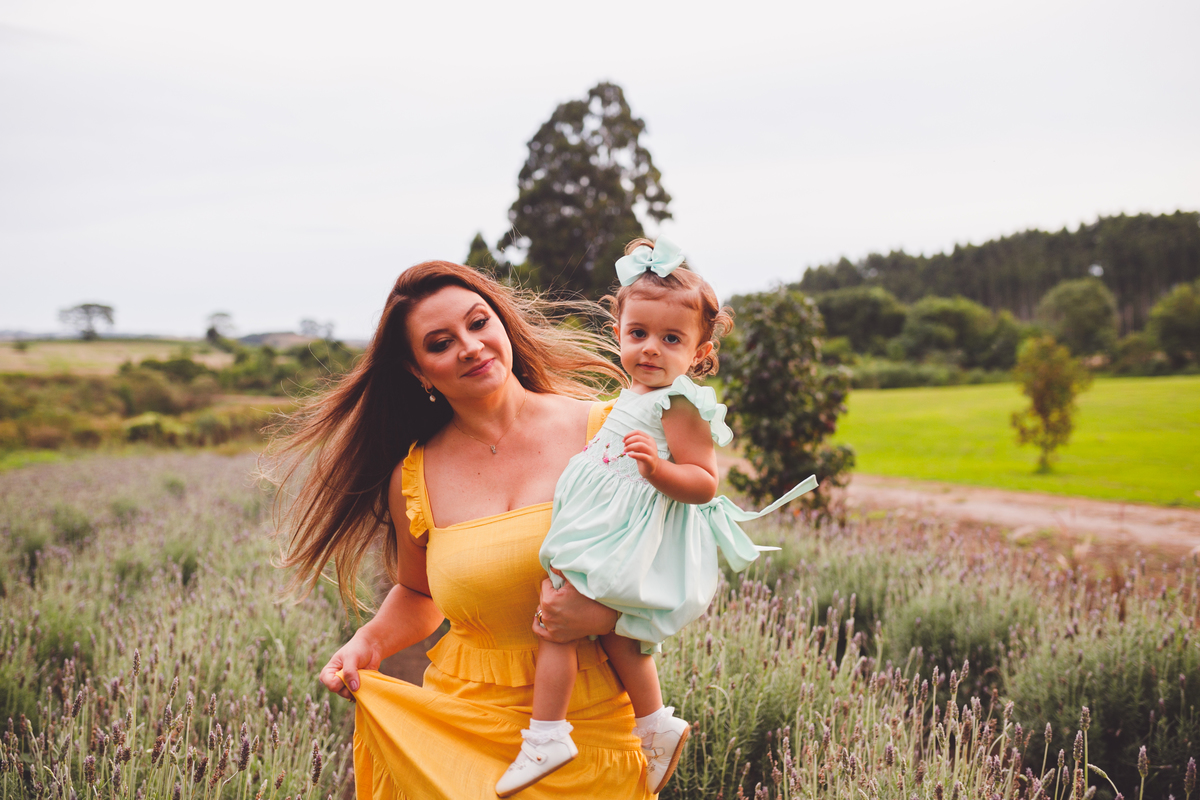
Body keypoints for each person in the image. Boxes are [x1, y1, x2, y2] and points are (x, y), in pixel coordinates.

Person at [270, 260, 658, 799]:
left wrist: (602, 613)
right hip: (461, 726)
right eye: (440, 342)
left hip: (587, 727)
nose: (470, 347)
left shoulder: (606, 433)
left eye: (479, 323)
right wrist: (370, 640)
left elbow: (675, 564)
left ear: (503, 324)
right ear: (418, 371)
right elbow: (417, 591)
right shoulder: (415, 475)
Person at [497, 237, 817, 797]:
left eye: (671, 339)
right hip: (609, 528)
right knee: (619, 635)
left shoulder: (681, 402)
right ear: (618, 333)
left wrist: (656, 472)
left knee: (556, 624)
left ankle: (547, 735)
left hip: (629, 537)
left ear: (698, 351)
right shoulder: (635, 393)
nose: (651, 348)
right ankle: (654, 723)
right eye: (638, 333)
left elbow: (703, 481)